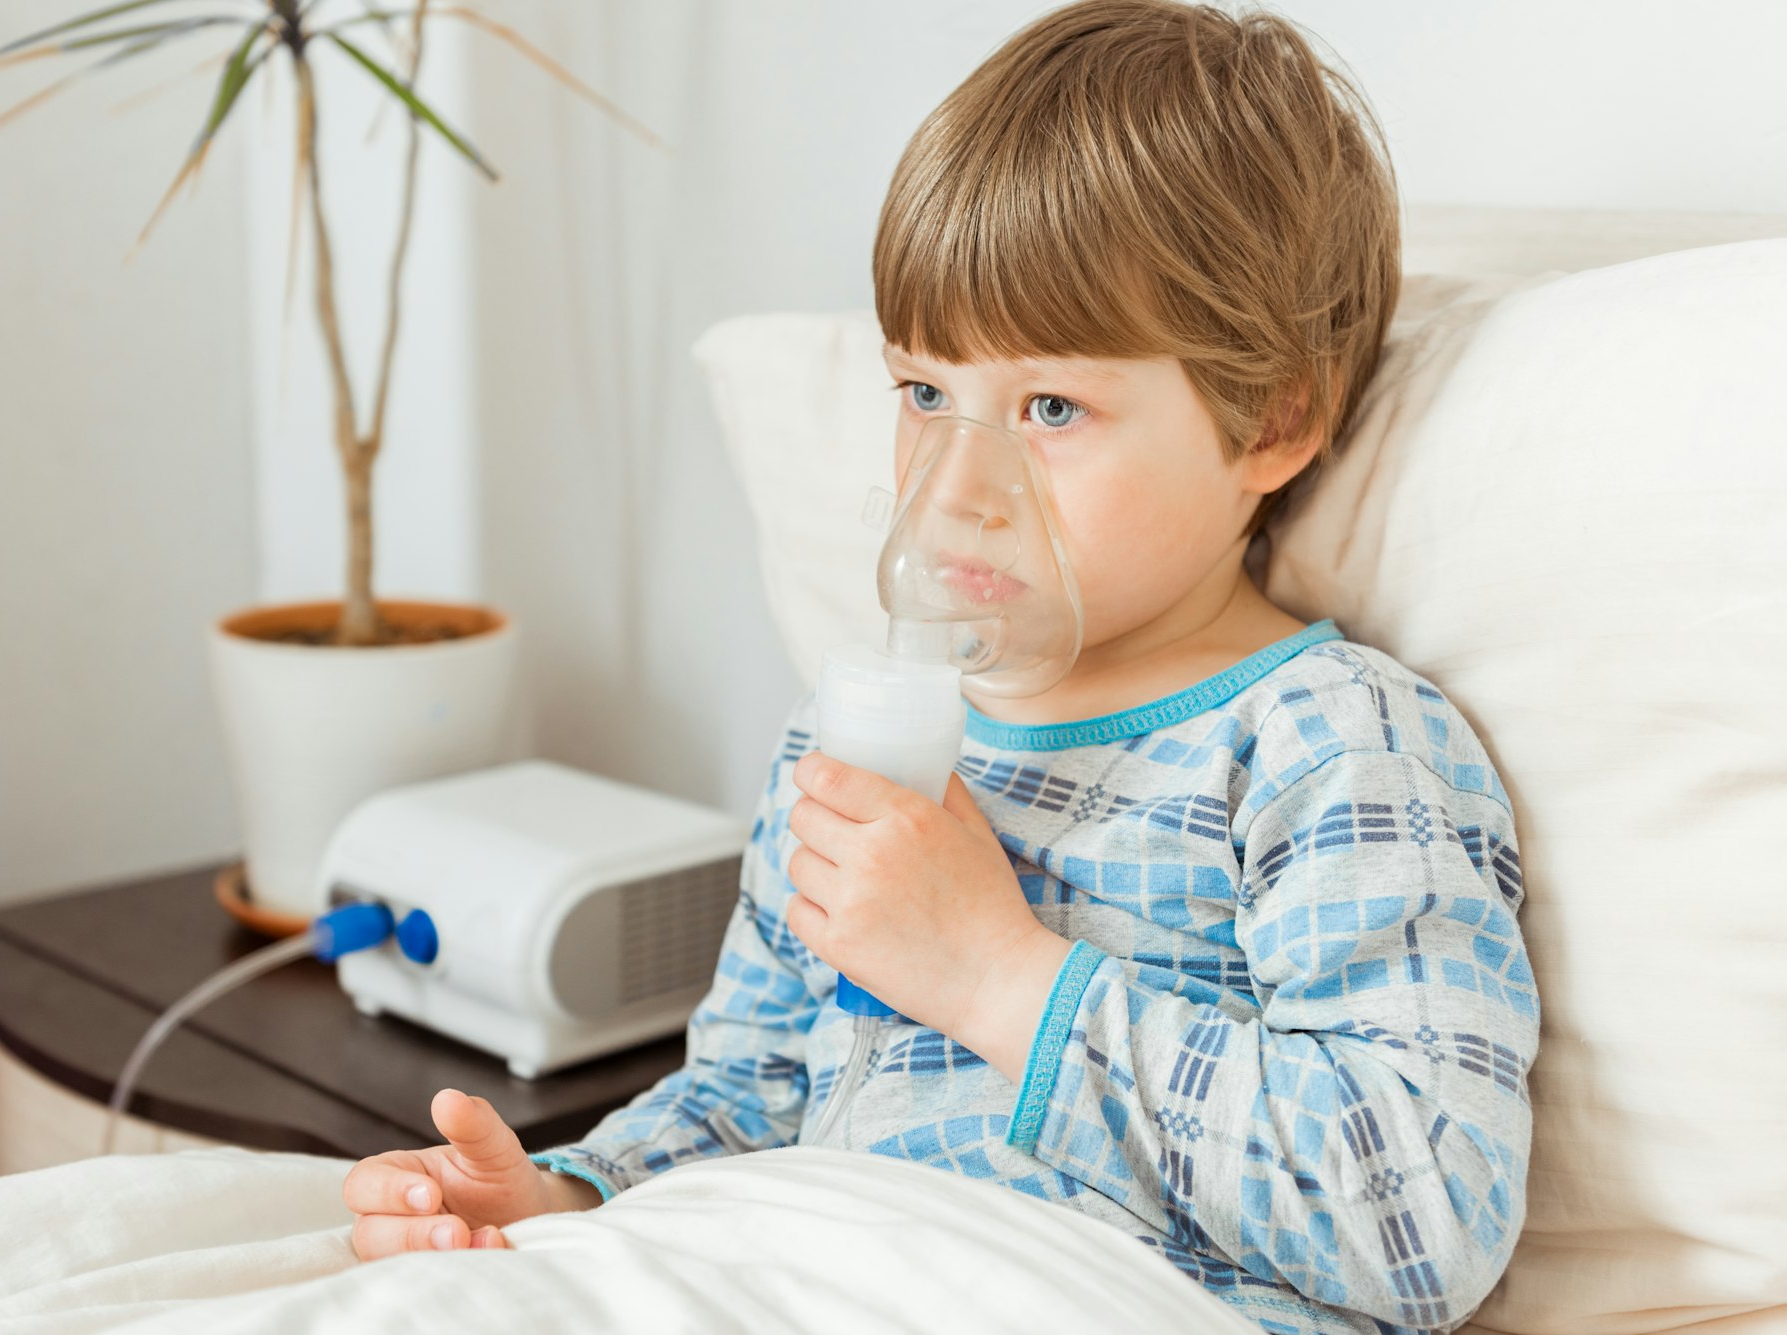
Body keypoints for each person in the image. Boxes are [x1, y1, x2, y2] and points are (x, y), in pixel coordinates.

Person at [343, 3, 1539, 1330]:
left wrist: (999, 975)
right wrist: (572, 1198)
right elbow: (748, 1097)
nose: (960, 490)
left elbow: (1423, 1223)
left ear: (1275, 417)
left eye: (1050, 409)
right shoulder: (851, 739)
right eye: (924, 394)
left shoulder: (1333, 746)